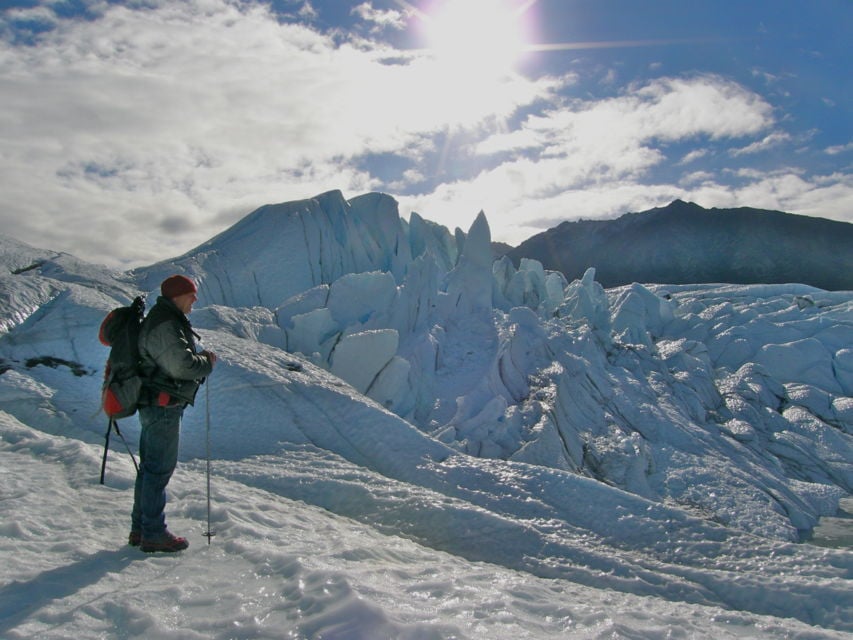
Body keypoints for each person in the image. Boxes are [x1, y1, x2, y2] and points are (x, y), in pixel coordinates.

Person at [129, 274, 216, 553]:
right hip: (163, 406)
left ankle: (140, 529)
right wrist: (206, 361)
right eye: (191, 294)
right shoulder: (166, 324)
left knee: (150, 468)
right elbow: (182, 367)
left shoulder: (163, 320)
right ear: (178, 296)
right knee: (158, 470)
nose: (195, 299)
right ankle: (153, 533)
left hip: (156, 403)